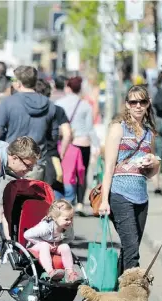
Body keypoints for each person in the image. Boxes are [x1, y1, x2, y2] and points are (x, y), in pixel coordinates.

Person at [97, 85, 160, 275]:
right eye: (134, 102)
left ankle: (119, 289)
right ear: (127, 104)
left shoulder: (150, 133)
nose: (138, 106)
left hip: (141, 196)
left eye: (143, 102)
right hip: (119, 194)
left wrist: (154, 162)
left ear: (148, 104)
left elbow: (150, 173)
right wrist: (105, 200)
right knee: (132, 249)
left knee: (128, 248)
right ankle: (132, 293)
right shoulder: (118, 129)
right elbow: (108, 167)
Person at [0, 66, 70, 189]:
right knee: (31, 205)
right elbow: (54, 135)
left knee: (7, 204)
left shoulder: (8, 103)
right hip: (36, 163)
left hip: (12, 162)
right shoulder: (49, 105)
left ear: (18, 83)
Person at [56, 76, 97, 211]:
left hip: (65, 143)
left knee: (64, 171)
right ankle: (80, 203)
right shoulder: (85, 105)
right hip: (82, 141)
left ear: (68, 87)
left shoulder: (59, 103)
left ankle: (66, 200)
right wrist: (96, 145)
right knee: (81, 173)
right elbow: (90, 128)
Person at [23, 199, 79, 282]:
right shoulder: (45, 227)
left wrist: (60, 244)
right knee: (44, 246)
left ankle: (70, 273)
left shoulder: (68, 228)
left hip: (54, 245)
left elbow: (70, 238)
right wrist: (42, 243)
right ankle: (51, 272)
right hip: (36, 247)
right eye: (66, 219)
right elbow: (26, 235)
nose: (69, 222)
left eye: (71, 218)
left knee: (65, 247)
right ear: (55, 218)